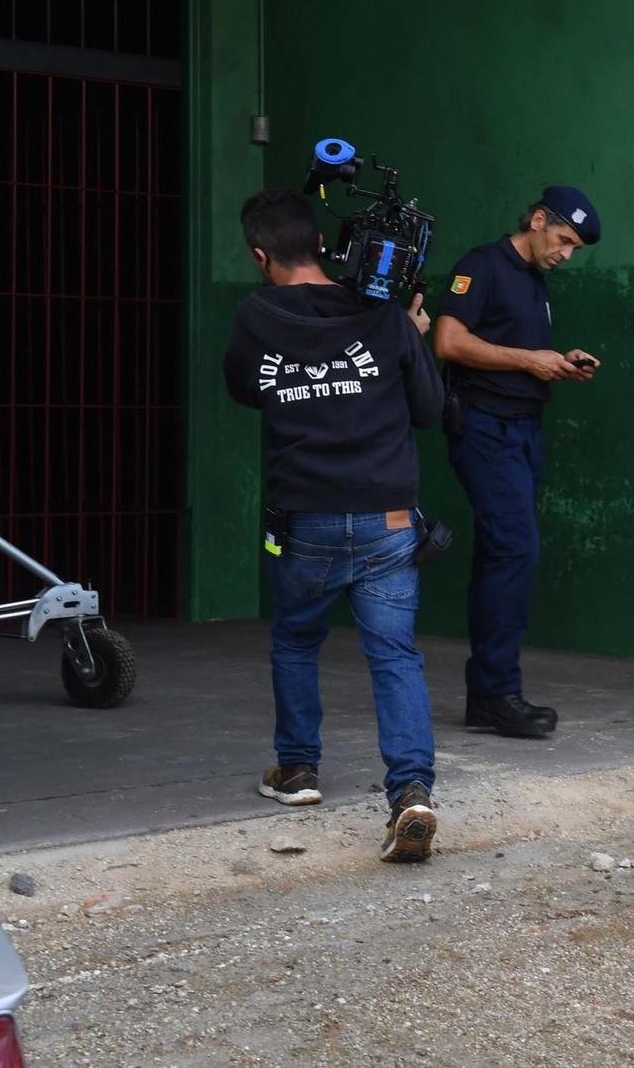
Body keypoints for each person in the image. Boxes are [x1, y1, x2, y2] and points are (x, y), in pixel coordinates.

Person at [223, 188, 443, 864]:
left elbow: (242, 387)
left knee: (295, 639)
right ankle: (410, 794)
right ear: (323, 244)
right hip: (387, 519)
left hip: (305, 520)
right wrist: (410, 332)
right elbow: (430, 410)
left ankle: (297, 771)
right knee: (394, 655)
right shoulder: (383, 315)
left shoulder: (257, 315)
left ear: (261, 255)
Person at [432, 187, 601, 739]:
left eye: (575, 247)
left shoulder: (533, 280)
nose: (566, 254)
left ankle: (488, 692)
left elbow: (513, 351)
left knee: (503, 555)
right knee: (515, 549)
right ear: (536, 220)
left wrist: (559, 361)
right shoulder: (482, 265)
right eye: (563, 240)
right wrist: (530, 360)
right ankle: (496, 692)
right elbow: (448, 341)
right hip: (486, 430)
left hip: (524, 432)